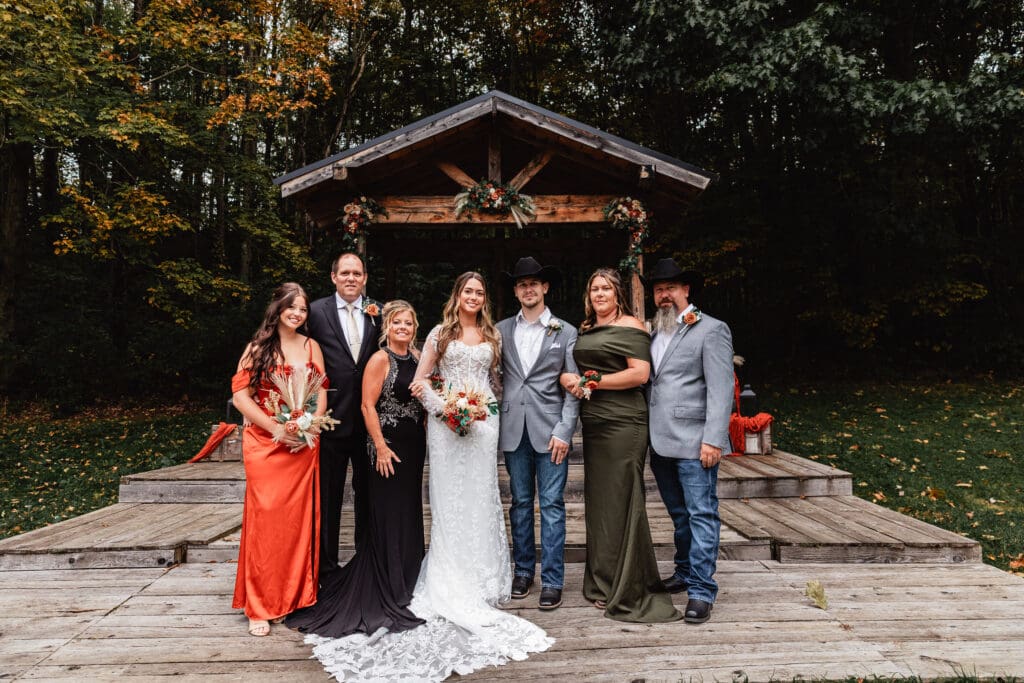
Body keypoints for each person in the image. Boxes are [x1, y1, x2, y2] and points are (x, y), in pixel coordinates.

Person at [307, 272, 551, 682]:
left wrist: (484, 411)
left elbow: (497, 382)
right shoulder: (439, 334)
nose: (472, 296)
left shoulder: (493, 335)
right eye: (466, 290)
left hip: (482, 425)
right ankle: (444, 575)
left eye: (479, 292)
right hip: (446, 425)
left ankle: (483, 577)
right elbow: (419, 383)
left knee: (480, 498)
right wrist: (446, 410)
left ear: (484, 299)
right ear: (457, 295)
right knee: (449, 500)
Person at [286, 300, 426, 638]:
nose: (403, 328)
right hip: (385, 446)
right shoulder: (379, 359)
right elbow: (366, 405)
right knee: (387, 511)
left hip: (413, 447)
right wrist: (379, 445)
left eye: (408, 323)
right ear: (387, 327)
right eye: (397, 323)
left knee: (408, 510)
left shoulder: (420, 359)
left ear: (415, 327)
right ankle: (385, 579)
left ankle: (408, 577)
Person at [563, 268, 681, 623]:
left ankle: (627, 585)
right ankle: (603, 581)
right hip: (595, 424)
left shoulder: (632, 326)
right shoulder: (585, 329)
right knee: (600, 504)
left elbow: (639, 374)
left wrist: (591, 381)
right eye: (594, 288)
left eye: (605, 289)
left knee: (623, 500)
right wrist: (568, 378)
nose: (599, 294)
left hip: (625, 423)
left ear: (617, 294)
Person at [230, 283, 326, 637]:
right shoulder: (258, 348)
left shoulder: (311, 346)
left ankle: (290, 598)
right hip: (266, 445)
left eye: (303, 309)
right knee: (266, 523)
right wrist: (276, 428)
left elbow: (321, 393)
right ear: (279, 308)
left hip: (302, 446)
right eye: (292, 307)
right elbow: (241, 397)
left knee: (296, 525)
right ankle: (259, 605)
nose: (298, 314)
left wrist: (310, 429)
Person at [645, 257, 734, 624]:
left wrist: (713, 439)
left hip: (696, 441)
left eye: (671, 288)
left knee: (701, 514)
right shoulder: (653, 331)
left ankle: (701, 591)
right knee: (679, 515)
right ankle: (684, 572)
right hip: (660, 441)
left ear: (686, 290)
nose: (664, 295)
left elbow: (721, 387)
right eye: (659, 290)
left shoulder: (711, 329)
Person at [496, 257, 580, 610]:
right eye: (521, 284)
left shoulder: (566, 331)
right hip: (513, 429)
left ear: (545, 287)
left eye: (534, 283)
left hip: (551, 432)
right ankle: (523, 572)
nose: (528, 288)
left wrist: (565, 430)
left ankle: (553, 580)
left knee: (551, 505)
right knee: (519, 505)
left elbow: (573, 387)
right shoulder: (499, 330)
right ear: (515, 291)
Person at [305, 252, 379, 573]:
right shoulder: (314, 312)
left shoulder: (379, 311)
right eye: (345, 273)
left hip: (367, 419)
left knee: (368, 495)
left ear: (364, 278)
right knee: (328, 496)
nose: (351, 278)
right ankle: (326, 567)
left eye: (357, 273)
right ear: (333, 276)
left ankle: (365, 564)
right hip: (330, 418)